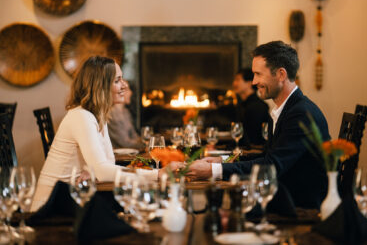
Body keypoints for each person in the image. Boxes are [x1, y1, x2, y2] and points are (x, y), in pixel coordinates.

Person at [183, 41, 330, 209]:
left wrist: (213, 171)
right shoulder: (287, 109)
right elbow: (267, 155)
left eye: (258, 74)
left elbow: (271, 166)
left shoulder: (301, 114)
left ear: (281, 74)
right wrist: (222, 160)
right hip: (285, 195)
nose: (253, 82)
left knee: (222, 208)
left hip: (299, 205)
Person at [31, 56, 158, 211]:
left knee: (140, 204)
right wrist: (156, 175)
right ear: (101, 86)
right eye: (117, 80)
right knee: (143, 205)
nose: (124, 85)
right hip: (50, 206)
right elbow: (104, 171)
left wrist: (92, 170)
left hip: (74, 197)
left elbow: (107, 162)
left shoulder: (98, 115)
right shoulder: (82, 116)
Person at [232, 68, 270, 146]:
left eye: (238, 80)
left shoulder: (258, 106)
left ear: (249, 83)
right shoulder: (242, 105)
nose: (234, 83)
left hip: (254, 152)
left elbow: (253, 139)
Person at [108, 81, 145, 150]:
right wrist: (146, 144)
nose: (131, 92)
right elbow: (124, 143)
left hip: (131, 152)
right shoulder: (111, 114)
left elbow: (134, 136)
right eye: (127, 89)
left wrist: (147, 141)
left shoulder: (126, 112)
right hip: (119, 157)